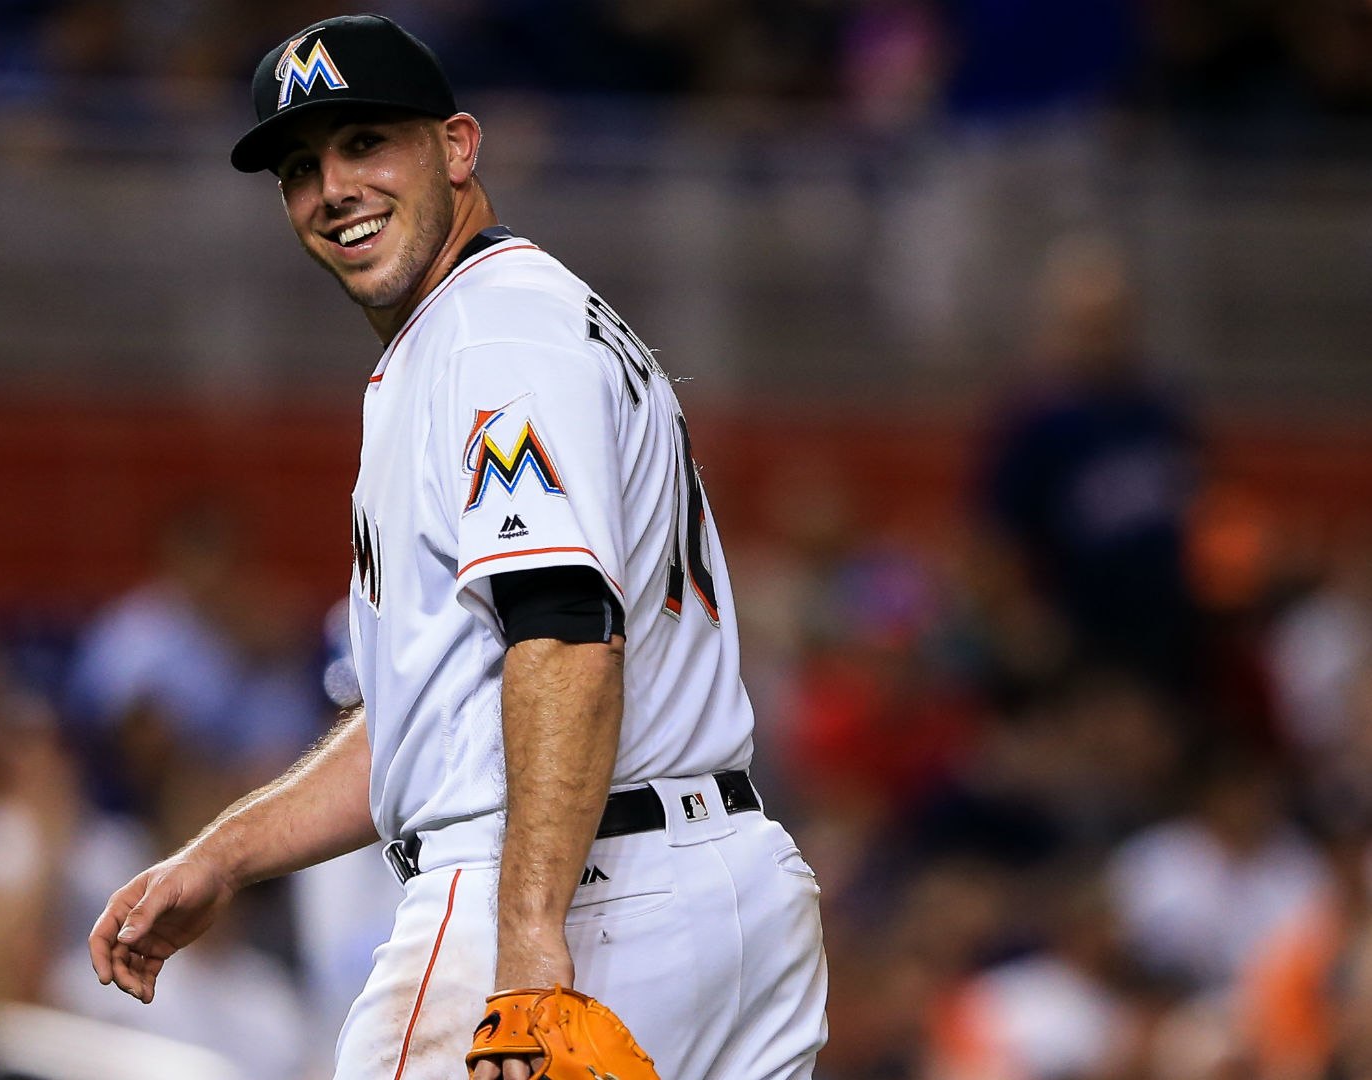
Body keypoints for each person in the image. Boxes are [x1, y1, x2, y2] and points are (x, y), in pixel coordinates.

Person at [85, 14, 828, 1080]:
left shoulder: (488, 333)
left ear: (458, 147)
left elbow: (568, 633)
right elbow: (446, 715)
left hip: (563, 894)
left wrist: (527, 953)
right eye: (301, 167)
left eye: (364, 143)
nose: (333, 187)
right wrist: (226, 854)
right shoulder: (534, 320)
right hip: (729, 891)